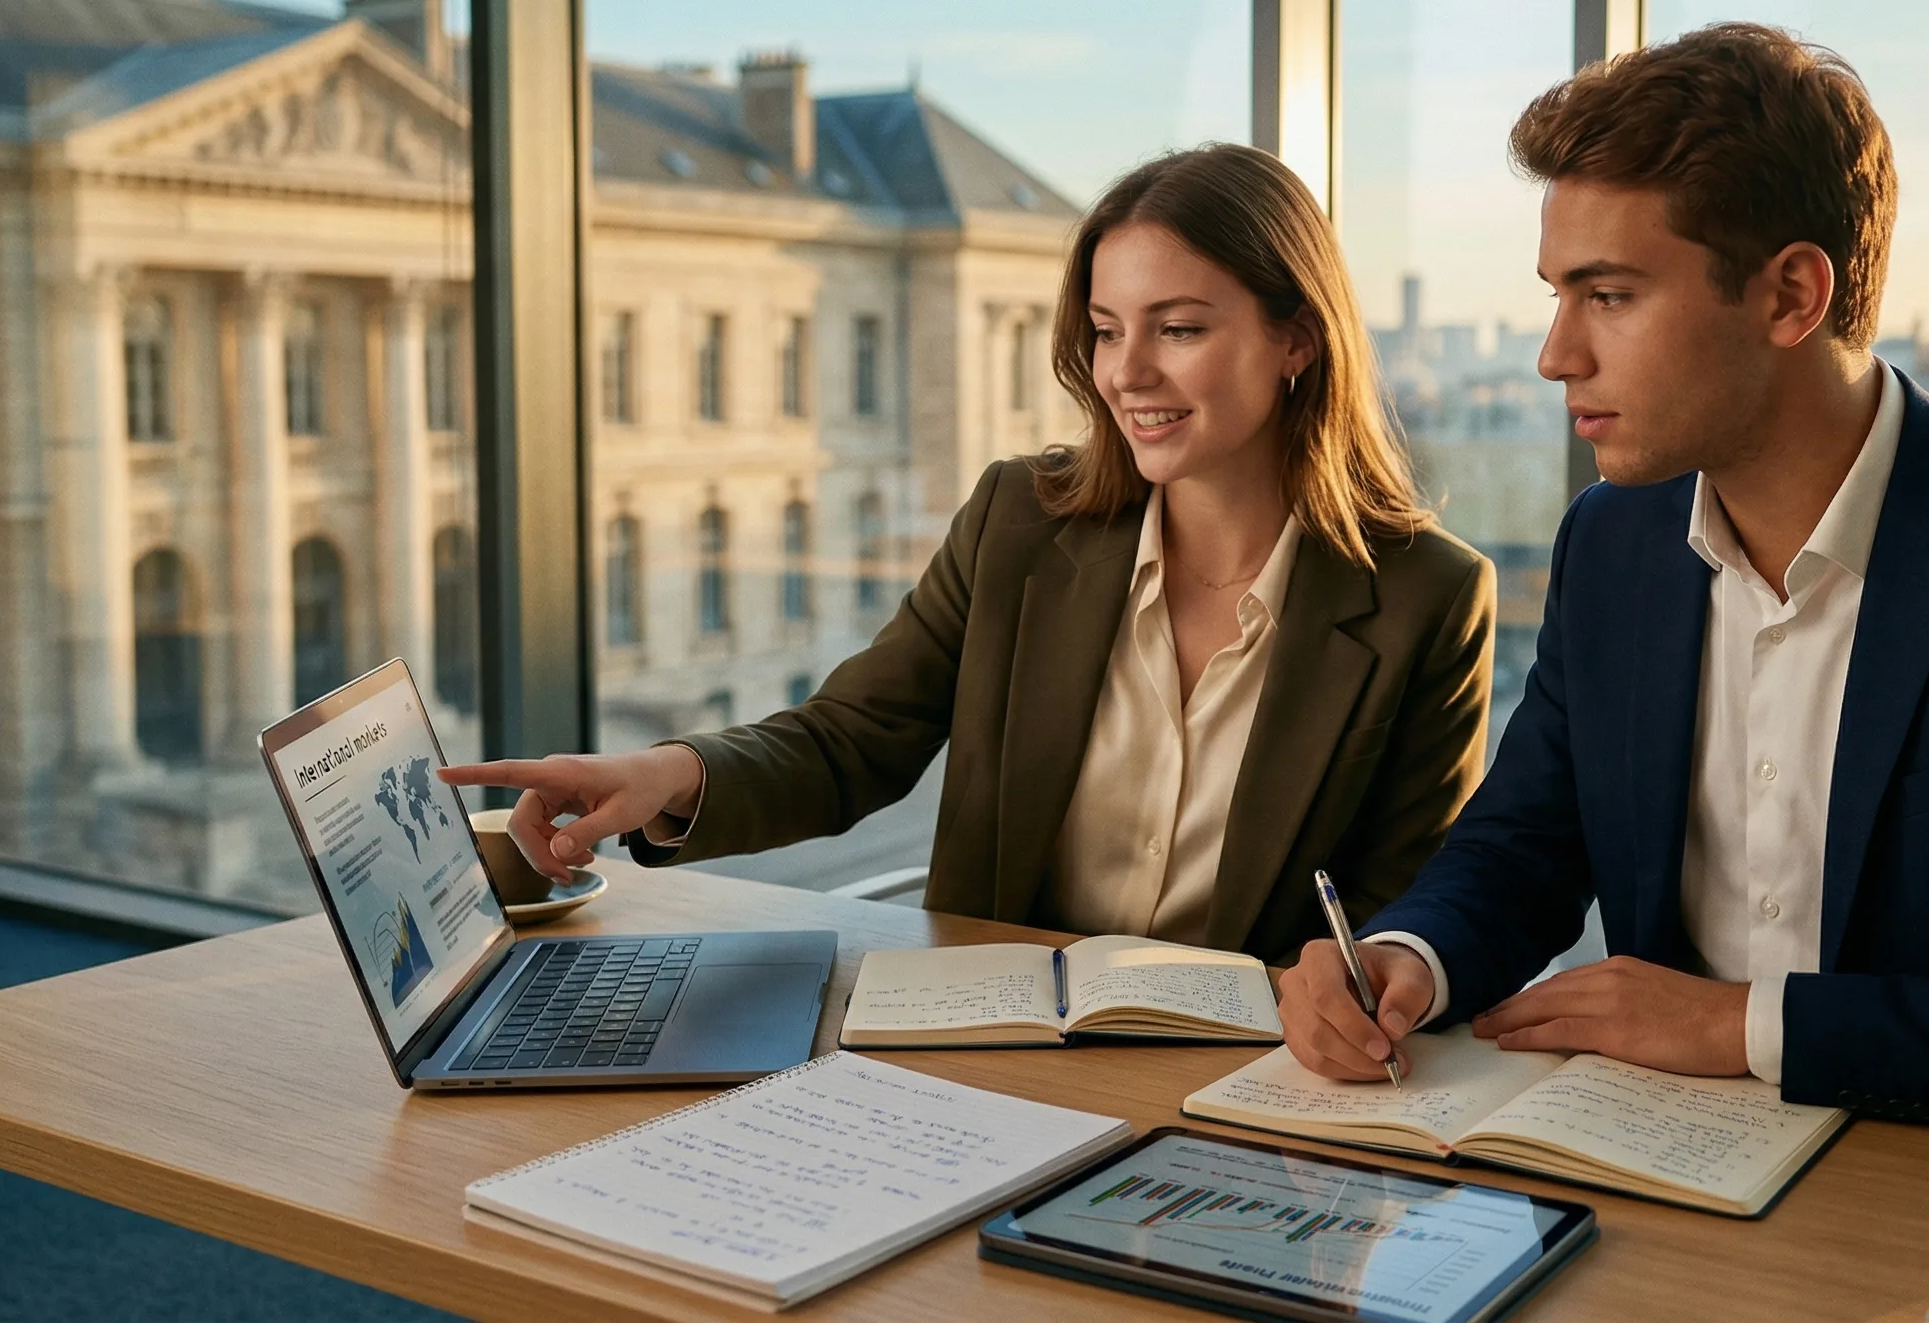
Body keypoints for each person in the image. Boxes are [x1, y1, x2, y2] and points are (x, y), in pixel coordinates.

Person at [1275, 24, 1929, 1153]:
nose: (1554, 353)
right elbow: (1526, 844)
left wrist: (1749, 1027)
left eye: (1606, 296)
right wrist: (1406, 955)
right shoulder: (1611, 540)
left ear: (1790, 295)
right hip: (1648, 1177)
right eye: (1555, 295)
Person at [443, 143, 1495, 964]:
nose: (1125, 372)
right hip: (999, 1055)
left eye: (1175, 329)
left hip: (1249, 1086)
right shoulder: (1018, 523)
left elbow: (1401, 915)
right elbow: (852, 739)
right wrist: (664, 773)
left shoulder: (1427, 598)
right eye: (1103, 327)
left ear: (1296, 341)